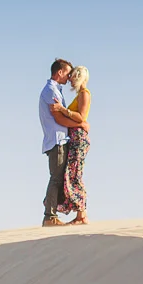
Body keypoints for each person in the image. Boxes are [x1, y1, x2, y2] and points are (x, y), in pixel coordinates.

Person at [38, 59, 87, 227]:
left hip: (60, 139)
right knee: (57, 178)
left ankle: (53, 214)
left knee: (61, 177)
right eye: (67, 73)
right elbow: (58, 118)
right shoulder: (50, 90)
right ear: (60, 72)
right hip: (57, 140)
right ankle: (49, 216)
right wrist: (80, 124)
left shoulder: (55, 90)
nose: (69, 77)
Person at [51, 65, 91, 224]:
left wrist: (62, 110)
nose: (70, 80)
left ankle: (82, 215)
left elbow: (81, 117)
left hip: (79, 137)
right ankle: (80, 214)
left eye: (73, 76)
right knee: (72, 173)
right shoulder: (79, 95)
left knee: (75, 174)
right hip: (74, 137)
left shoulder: (84, 94)